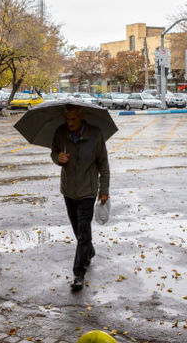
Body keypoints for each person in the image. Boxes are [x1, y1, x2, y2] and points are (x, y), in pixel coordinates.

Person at [51, 104, 110, 291]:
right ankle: (89, 251)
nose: (70, 123)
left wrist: (104, 190)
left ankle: (78, 273)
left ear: (81, 116)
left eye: (74, 120)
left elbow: (104, 165)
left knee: (83, 231)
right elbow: (53, 152)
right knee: (78, 230)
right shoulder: (60, 133)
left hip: (88, 191)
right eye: (67, 120)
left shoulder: (95, 134)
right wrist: (57, 157)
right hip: (68, 190)